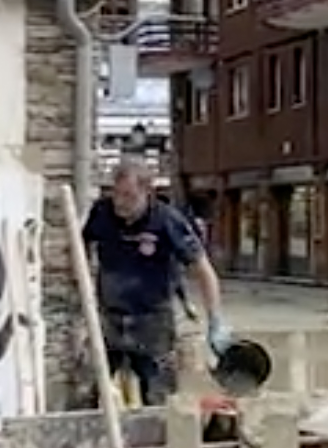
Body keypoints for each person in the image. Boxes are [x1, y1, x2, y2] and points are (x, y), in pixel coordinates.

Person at [82, 158, 231, 406]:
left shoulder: (167, 221)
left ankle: (159, 438)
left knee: (159, 395)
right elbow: (81, 244)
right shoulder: (102, 212)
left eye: (128, 196)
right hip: (109, 316)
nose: (120, 203)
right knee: (90, 390)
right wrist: (83, 278)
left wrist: (215, 319)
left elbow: (203, 270)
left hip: (152, 321)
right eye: (116, 194)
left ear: (147, 192)